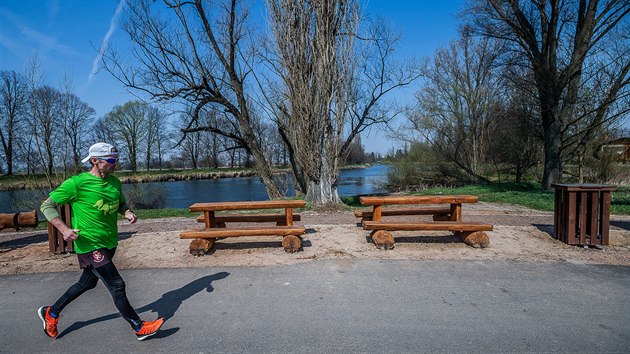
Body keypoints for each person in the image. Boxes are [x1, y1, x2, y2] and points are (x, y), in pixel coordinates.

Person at [37, 142, 164, 341]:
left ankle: (51, 313)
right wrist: (64, 229)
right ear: (95, 161)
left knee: (86, 284)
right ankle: (138, 326)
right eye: (111, 160)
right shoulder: (77, 183)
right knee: (117, 285)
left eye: (116, 160)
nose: (115, 164)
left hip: (109, 242)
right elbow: (47, 205)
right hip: (89, 243)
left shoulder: (114, 182)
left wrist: (127, 211)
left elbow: (119, 202)